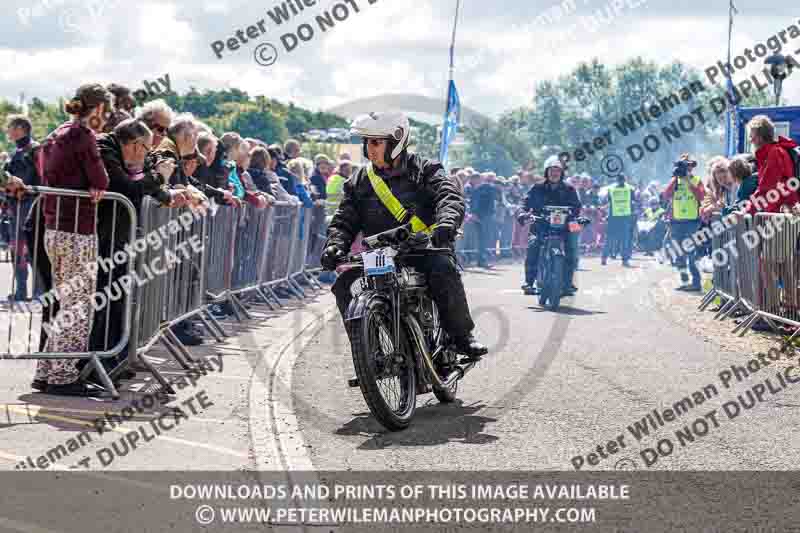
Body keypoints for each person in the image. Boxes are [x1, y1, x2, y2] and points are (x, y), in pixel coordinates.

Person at [321, 111, 487, 360]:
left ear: (396, 141)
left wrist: (446, 224)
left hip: (423, 249)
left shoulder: (425, 169)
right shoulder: (360, 181)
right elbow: (344, 220)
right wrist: (335, 245)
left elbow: (449, 196)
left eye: (376, 142)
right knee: (345, 284)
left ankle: (461, 337)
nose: (369, 148)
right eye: (367, 142)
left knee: (442, 268)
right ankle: (370, 353)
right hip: (380, 255)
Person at [35, 83, 111, 396]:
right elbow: (100, 179)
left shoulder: (57, 132)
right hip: (77, 229)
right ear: (99, 109)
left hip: (53, 226)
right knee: (77, 305)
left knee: (65, 302)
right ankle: (64, 375)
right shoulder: (83, 135)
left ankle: (47, 369)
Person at [520, 155, 581, 295]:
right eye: (552, 171)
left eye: (557, 171)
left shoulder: (569, 189)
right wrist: (524, 213)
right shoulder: (537, 187)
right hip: (541, 224)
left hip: (565, 226)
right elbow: (526, 203)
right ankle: (529, 282)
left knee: (572, 247)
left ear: (562, 173)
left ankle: (567, 283)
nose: (554, 174)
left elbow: (577, 207)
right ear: (546, 172)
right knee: (533, 245)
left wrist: (577, 218)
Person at [3, 114, 40, 301]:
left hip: (30, 207)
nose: (7, 131)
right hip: (15, 207)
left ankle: (39, 291)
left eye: (9, 127)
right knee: (17, 250)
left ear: (20, 129)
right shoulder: (16, 152)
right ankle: (21, 290)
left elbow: (37, 179)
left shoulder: (35, 150)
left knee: (33, 250)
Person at [662, 154, 705, 291]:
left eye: (688, 166)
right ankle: (685, 280)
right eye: (683, 166)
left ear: (692, 167)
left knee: (691, 253)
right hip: (676, 222)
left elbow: (701, 196)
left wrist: (688, 182)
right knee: (678, 254)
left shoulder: (697, 180)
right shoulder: (675, 180)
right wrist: (675, 179)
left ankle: (696, 282)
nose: (687, 169)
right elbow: (665, 195)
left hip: (692, 223)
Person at [744, 115, 800, 214]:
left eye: (752, 136)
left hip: (782, 215)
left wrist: (745, 212)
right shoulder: (773, 152)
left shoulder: (775, 153)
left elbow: (765, 189)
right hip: (782, 213)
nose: (750, 140)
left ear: (760, 137)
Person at [602, 173, 635, 267]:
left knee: (610, 239)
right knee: (624, 239)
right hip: (624, 217)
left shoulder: (611, 189)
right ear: (625, 180)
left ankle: (604, 258)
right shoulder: (630, 189)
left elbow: (608, 201)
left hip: (614, 216)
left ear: (617, 180)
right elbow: (633, 202)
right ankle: (624, 260)